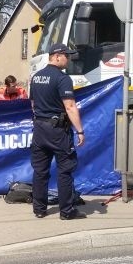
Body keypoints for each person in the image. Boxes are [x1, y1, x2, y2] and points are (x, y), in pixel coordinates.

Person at [29, 43, 86, 220]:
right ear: (57, 56)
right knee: (65, 170)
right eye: (66, 56)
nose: (68, 60)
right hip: (58, 130)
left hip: (39, 128)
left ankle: (39, 209)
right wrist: (80, 131)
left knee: (40, 170)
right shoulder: (62, 79)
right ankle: (66, 212)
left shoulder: (36, 77)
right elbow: (69, 106)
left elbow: (32, 104)